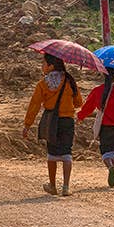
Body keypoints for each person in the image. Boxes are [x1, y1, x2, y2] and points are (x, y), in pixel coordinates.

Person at [23, 54, 83, 196]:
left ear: (51, 66)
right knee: (67, 152)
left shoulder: (43, 83)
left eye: (43, 63)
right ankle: (66, 187)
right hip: (67, 120)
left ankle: (52, 185)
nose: (42, 66)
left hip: (51, 121)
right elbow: (79, 102)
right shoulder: (70, 81)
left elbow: (34, 105)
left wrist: (27, 124)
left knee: (52, 153)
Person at [76, 67, 114, 188]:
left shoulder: (97, 91)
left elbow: (88, 107)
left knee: (105, 151)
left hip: (104, 126)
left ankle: (109, 166)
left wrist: (80, 116)